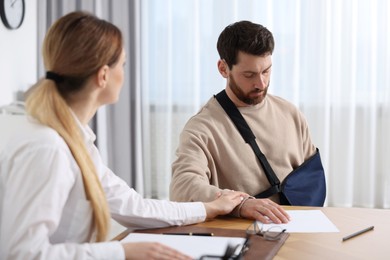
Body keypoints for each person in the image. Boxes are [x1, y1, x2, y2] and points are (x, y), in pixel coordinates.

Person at [0, 11, 246, 260]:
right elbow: (21, 254)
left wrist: (208, 208)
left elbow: (132, 206)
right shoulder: (49, 147)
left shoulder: (75, 140)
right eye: (123, 64)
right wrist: (120, 251)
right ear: (104, 75)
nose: (124, 73)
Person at [170, 20, 318, 224]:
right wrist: (239, 204)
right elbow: (182, 186)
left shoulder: (291, 113)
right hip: (244, 235)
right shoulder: (202, 128)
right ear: (223, 69)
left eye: (266, 71)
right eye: (249, 75)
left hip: (298, 228)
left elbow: (312, 182)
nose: (261, 83)